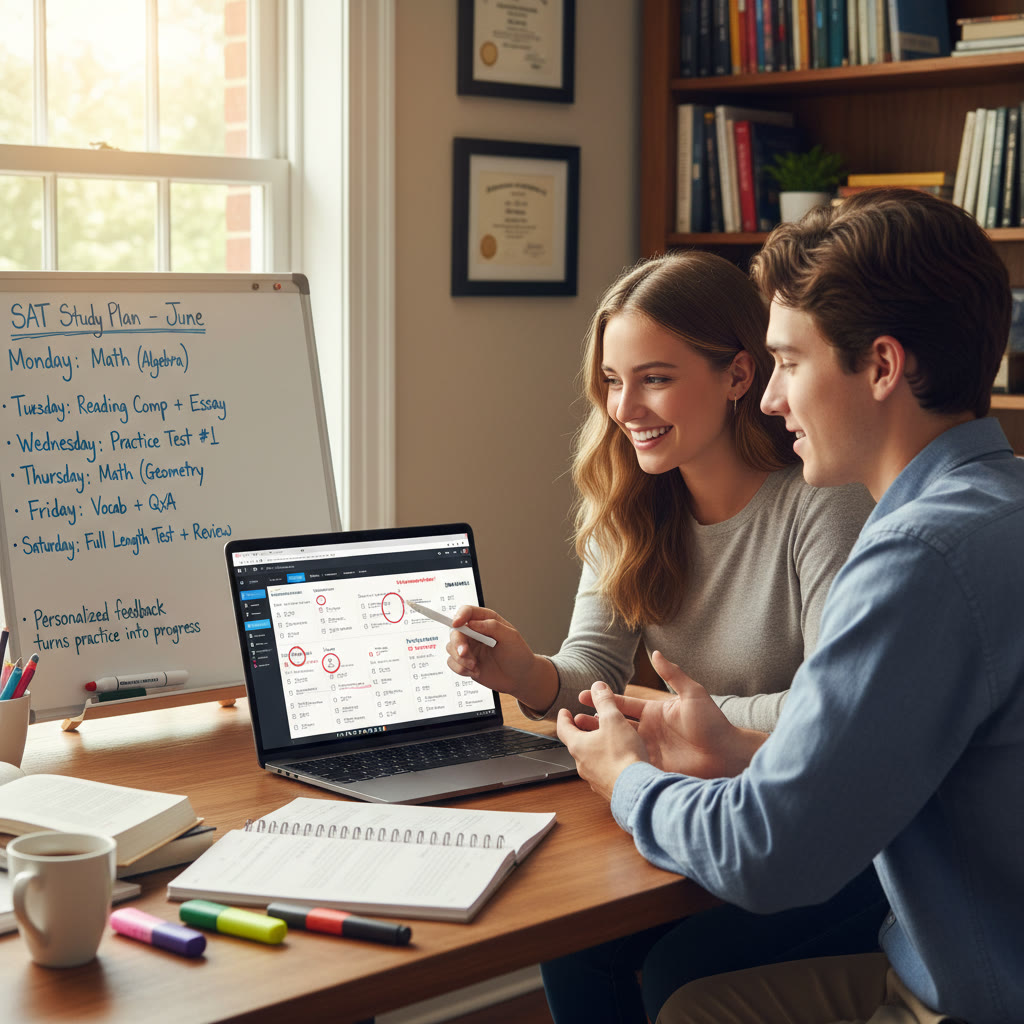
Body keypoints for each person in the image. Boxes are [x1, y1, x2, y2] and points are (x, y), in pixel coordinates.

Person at [557, 189, 1024, 1024]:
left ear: (882, 367)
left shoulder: (916, 557)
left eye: (790, 363)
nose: (770, 399)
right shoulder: (1002, 501)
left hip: (967, 998)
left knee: (688, 1004)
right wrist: (740, 746)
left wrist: (627, 780)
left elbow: (765, 854)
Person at [445, 251, 882, 1022]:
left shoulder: (822, 502)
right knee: (575, 939)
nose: (625, 408)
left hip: (822, 833)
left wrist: (673, 716)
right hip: (695, 807)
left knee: (683, 967)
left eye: (654, 378)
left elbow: (833, 713)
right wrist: (527, 674)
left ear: (738, 375)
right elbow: (595, 671)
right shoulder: (630, 503)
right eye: (612, 381)